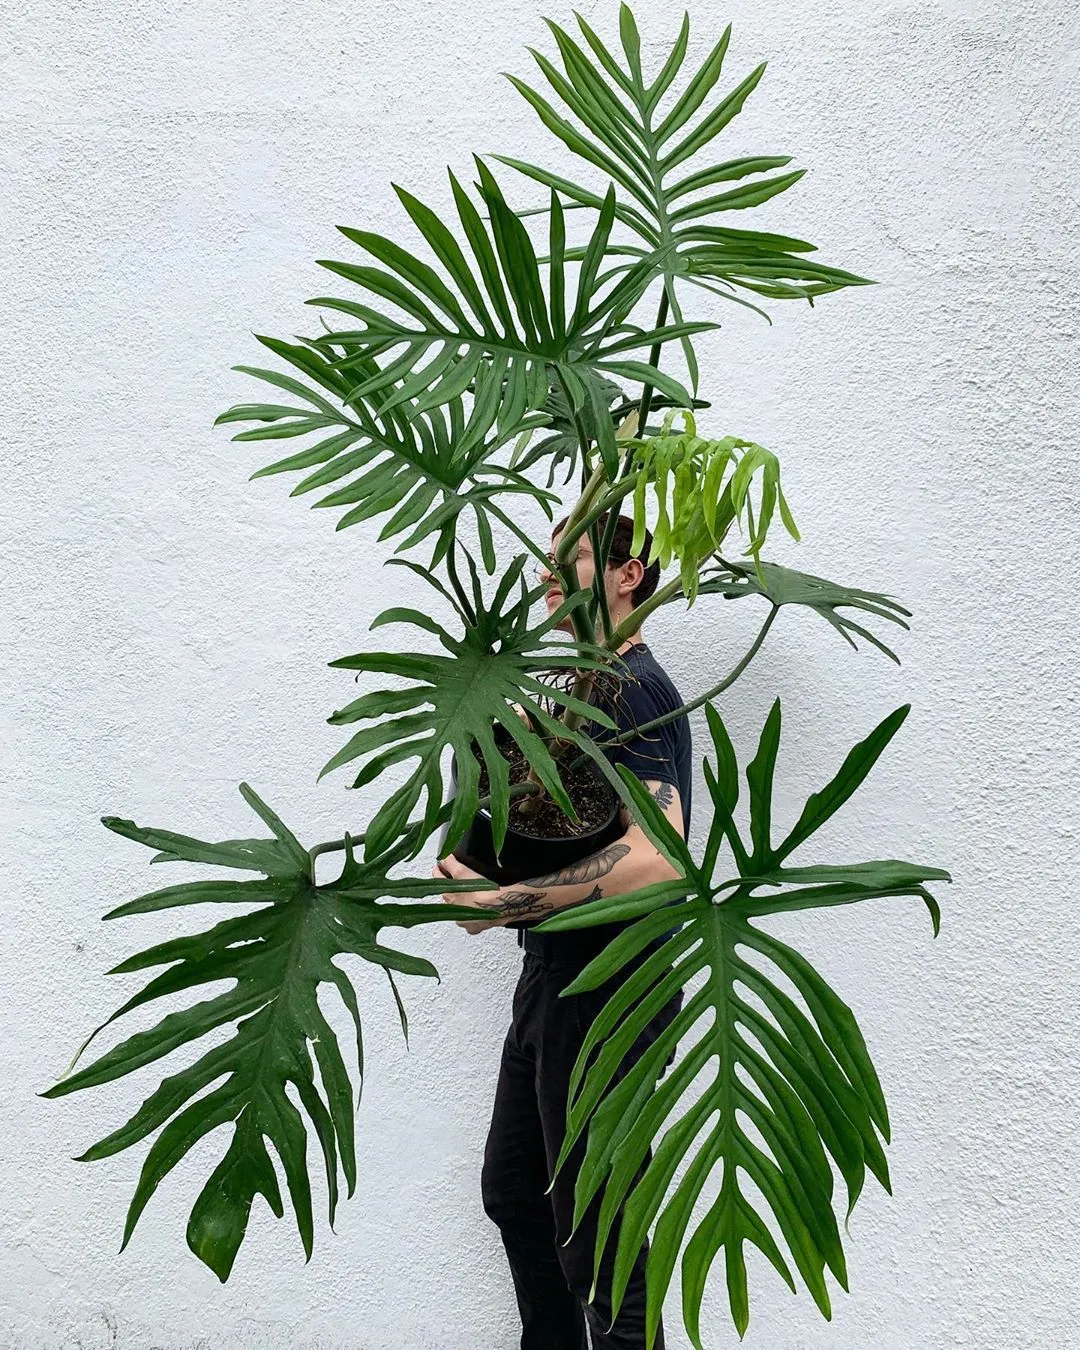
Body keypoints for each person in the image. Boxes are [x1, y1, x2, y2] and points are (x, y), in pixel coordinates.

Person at [435, 513, 692, 1350]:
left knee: (601, 1242)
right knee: (516, 1194)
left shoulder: (636, 688)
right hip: (556, 978)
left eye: (572, 559)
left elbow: (658, 859)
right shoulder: (583, 691)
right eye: (546, 562)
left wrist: (505, 904)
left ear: (629, 575)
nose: (549, 577)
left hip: (610, 988)